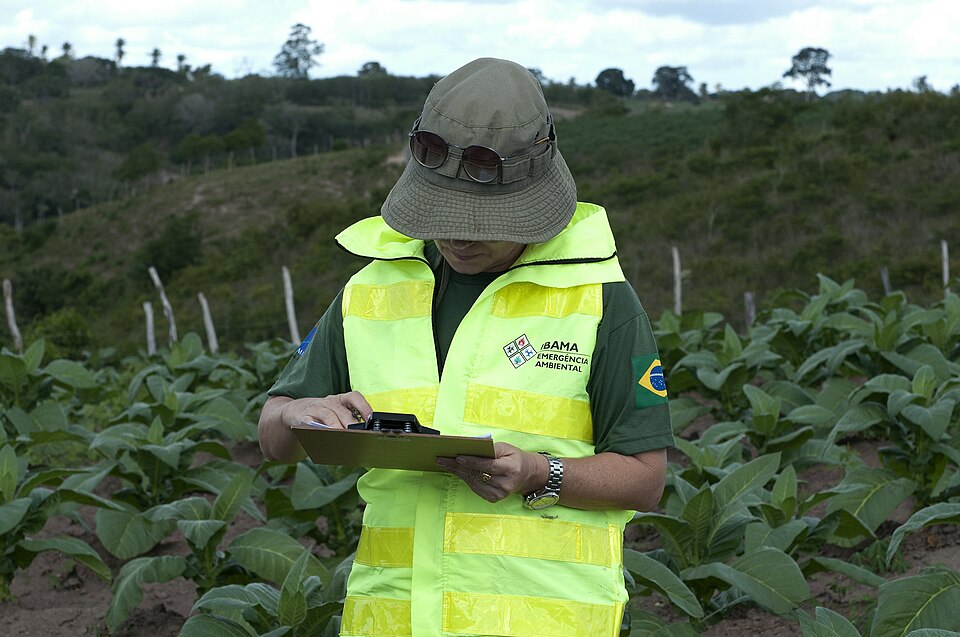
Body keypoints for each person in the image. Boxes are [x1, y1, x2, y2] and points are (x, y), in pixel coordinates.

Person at [258, 57, 674, 637]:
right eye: (442, 215)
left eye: (484, 221)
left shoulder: (603, 301)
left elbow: (645, 478)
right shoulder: (372, 289)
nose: (458, 235)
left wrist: (537, 472)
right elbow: (274, 435)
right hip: (393, 621)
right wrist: (299, 414)